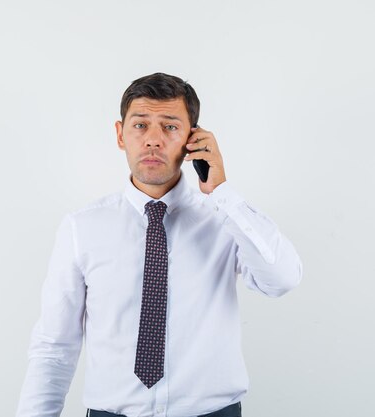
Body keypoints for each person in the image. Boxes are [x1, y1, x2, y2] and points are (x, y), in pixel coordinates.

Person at [15, 73, 302, 417]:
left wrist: (223, 193)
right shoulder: (82, 228)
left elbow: (282, 279)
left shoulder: (225, 220)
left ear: (193, 138)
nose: (153, 140)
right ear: (120, 134)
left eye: (169, 127)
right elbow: (54, 347)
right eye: (140, 126)